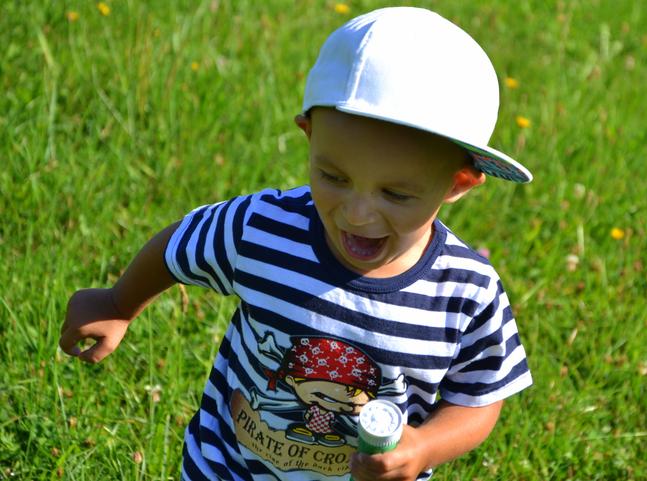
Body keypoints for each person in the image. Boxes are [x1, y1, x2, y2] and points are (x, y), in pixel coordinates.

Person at [60, 6, 533, 481]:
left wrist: (425, 447)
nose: (357, 213)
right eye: (333, 176)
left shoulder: (466, 291)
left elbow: (479, 400)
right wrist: (118, 303)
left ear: (457, 183)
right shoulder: (262, 228)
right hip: (227, 467)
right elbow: (182, 244)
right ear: (309, 135)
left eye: (395, 194)